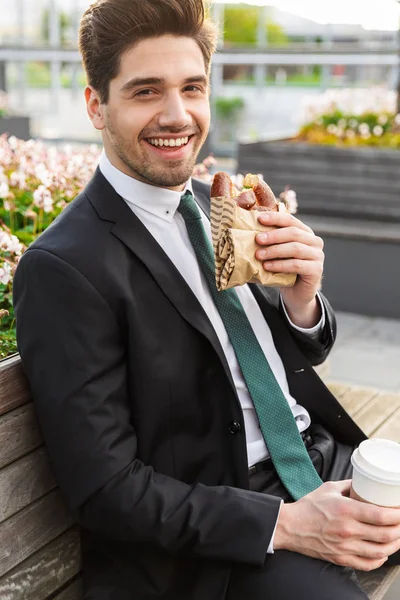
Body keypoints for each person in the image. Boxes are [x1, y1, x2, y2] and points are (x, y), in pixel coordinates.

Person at [13, 1, 400, 599]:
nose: (178, 115)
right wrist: (287, 525)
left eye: (192, 87)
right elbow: (106, 490)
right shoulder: (64, 267)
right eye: (146, 91)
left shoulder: (220, 203)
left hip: (319, 459)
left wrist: (303, 300)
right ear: (96, 105)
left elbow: (280, 355)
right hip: (218, 540)